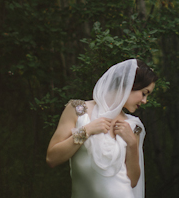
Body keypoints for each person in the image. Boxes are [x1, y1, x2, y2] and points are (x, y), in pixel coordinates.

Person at [46, 59, 158, 198]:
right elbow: (52, 158)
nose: (144, 101)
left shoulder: (133, 126)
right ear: (129, 85)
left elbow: (133, 181)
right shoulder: (78, 110)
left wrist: (132, 144)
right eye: (144, 93)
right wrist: (86, 131)